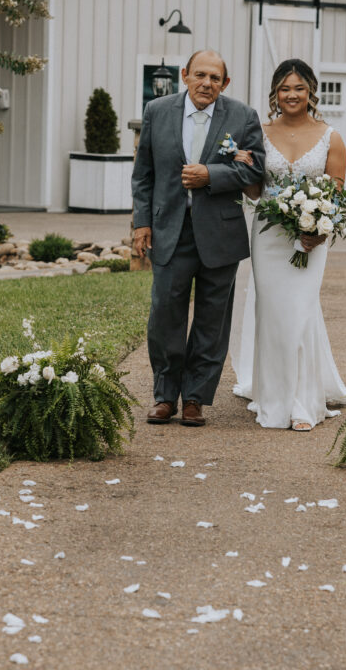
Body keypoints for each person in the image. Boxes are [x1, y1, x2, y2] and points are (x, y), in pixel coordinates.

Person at [132, 49, 265, 428]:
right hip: (169, 231)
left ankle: (194, 398)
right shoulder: (157, 112)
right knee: (165, 315)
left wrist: (213, 175)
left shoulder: (242, 116)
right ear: (185, 74)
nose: (207, 83)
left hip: (220, 232)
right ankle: (164, 396)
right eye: (200, 75)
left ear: (225, 83)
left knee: (212, 320)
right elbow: (143, 174)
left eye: (215, 78)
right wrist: (142, 223)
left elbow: (256, 170)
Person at [230, 58, 346, 431]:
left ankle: (302, 402)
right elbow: (255, 190)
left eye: (299, 88)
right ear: (275, 93)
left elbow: (335, 195)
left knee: (300, 311)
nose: (291, 95)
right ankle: (273, 397)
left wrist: (319, 229)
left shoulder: (331, 137)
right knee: (272, 313)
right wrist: (243, 167)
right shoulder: (260, 132)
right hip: (268, 235)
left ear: (311, 92)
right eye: (284, 88)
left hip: (311, 238)